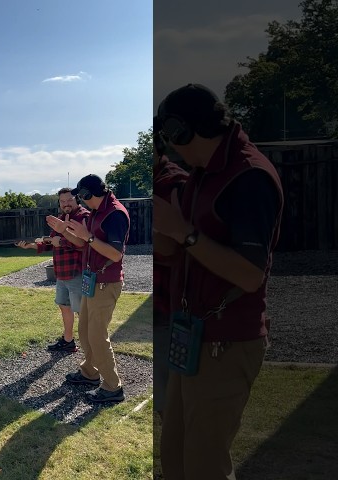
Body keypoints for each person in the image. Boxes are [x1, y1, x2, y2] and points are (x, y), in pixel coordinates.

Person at [153, 83, 284, 480]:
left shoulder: (249, 177)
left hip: (226, 341)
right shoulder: (203, 173)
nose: (167, 149)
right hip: (193, 335)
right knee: (174, 454)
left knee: (204, 465)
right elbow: (177, 250)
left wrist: (184, 232)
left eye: (168, 138)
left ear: (182, 131)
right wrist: (168, 235)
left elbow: (249, 274)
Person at [48, 174, 130, 403]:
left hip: (106, 282)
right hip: (92, 280)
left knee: (97, 336)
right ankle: (90, 373)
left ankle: (113, 388)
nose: (79, 201)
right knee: (84, 331)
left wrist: (89, 237)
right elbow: (83, 242)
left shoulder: (114, 214)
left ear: (86, 195)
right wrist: (65, 231)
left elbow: (115, 254)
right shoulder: (97, 212)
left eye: (80, 196)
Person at [16, 188, 90, 352]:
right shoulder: (61, 219)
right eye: (62, 201)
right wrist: (32, 246)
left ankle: (90, 349)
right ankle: (68, 340)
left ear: (77, 199)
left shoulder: (83, 217)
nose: (66, 204)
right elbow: (51, 242)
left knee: (82, 313)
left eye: (69, 200)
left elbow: (84, 243)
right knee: (64, 306)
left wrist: (61, 241)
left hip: (77, 273)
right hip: (62, 274)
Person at [152, 124, 188, 420]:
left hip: (170, 304)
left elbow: (176, 249)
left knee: (170, 396)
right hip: (158, 304)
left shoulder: (175, 184)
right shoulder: (158, 181)